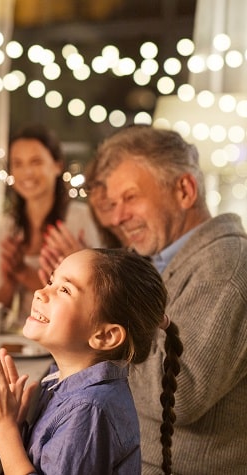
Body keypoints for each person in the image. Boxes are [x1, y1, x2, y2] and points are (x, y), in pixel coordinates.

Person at [93, 125, 247, 474]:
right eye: (114, 204)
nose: (117, 217)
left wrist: (97, 328)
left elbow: (177, 394)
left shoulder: (224, 265)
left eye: (130, 198)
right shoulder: (164, 260)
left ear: (184, 190)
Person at [0, 248, 183, 475]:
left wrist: (2, 427)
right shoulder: (63, 382)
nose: (40, 293)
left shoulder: (89, 410)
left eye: (64, 290)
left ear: (105, 336)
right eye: (51, 281)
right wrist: (16, 426)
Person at [0, 124, 101, 329]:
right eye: (18, 163)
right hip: (24, 335)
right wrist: (11, 280)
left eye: (36, 161)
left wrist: (79, 267)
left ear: (57, 165)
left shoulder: (80, 220)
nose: (27, 173)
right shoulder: (9, 226)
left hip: (68, 335)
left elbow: (97, 301)